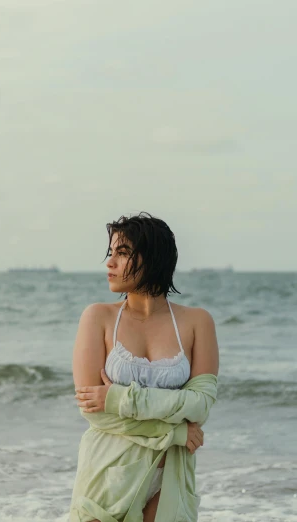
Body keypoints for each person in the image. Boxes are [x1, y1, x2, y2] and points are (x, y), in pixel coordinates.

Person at [68, 212, 220, 522]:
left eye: (122, 253)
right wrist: (176, 432)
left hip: (171, 477)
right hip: (108, 475)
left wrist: (119, 399)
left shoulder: (196, 322)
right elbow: (94, 411)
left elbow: (200, 405)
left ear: (153, 258)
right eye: (110, 253)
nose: (109, 263)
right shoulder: (98, 317)